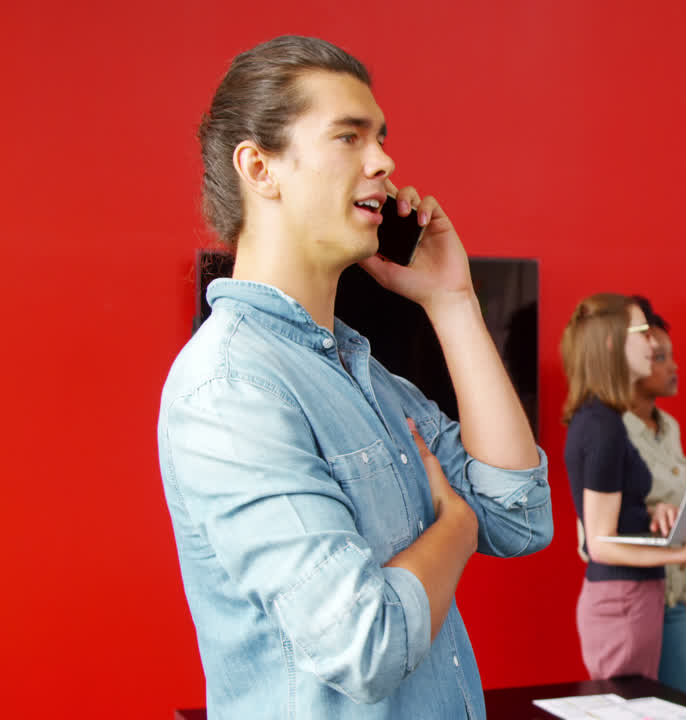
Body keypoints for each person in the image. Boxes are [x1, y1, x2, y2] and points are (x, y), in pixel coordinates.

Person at [157, 36, 552, 719]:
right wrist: (452, 532)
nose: (385, 161)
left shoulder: (366, 376)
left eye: (382, 138)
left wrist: (453, 304)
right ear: (260, 168)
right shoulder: (230, 388)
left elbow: (519, 517)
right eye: (349, 136)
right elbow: (363, 643)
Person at [560, 293, 686, 681]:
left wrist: (653, 514)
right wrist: (680, 553)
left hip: (637, 598)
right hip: (623, 601)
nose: (652, 343)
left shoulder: (604, 420)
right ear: (610, 343)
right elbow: (597, 543)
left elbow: (609, 519)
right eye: (642, 333)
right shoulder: (602, 425)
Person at [622, 297, 686, 697]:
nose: (673, 367)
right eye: (659, 357)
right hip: (636, 595)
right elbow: (597, 533)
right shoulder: (610, 430)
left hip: (674, 590)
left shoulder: (669, 426)